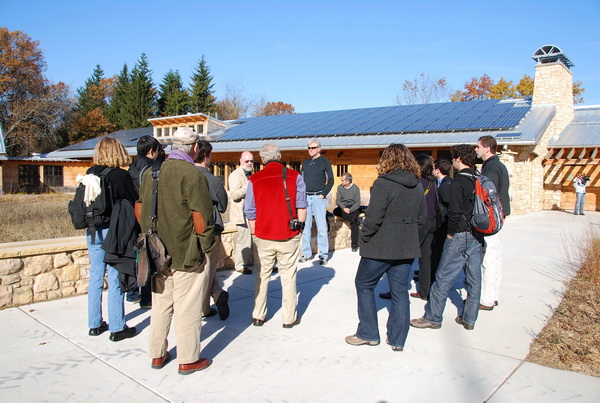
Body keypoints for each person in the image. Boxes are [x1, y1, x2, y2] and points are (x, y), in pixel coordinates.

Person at [136, 127, 215, 375]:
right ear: (194, 148)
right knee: (188, 307)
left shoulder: (151, 173)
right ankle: (189, 359)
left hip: (156, 251)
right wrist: (207, 246)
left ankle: (157, 354)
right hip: (186, 252)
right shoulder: (192, 174)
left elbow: (139, 209)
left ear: (171, 146)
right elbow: (201, 217)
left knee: (161, 305)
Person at [345, 144, 425, 352]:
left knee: (363, 284)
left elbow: (373, 217)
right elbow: (422, 217)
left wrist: (364, 236)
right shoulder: (417, 184)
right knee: (400, 292)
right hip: (406, 247)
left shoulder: (383, 183)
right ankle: (398, 339)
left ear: (387, 160)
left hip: (380, 246)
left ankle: (368, 333)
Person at [411, 144, 484, 331]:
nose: (453, 161)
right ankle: (469, 319)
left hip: (460, 235)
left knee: (442, 278)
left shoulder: (459, 181)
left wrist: (450, 234)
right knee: (474, 280)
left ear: (458, 159)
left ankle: (433, 317)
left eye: (453, 158)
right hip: (478, 235)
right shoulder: (480, 178)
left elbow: (454, 212)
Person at [245, 143, 307, 328]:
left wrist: (255, 232)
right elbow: (302, 205)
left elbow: (250, 210)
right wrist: (300, 228)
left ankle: (258, 315)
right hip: (288, 234)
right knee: (288, 277)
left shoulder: (254, 179)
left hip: (263, 236)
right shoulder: (295, 176)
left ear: (262, 159)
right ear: (279, 156)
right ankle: (289, 318)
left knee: (262, 276)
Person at [86, 137, 138, 342]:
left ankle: (94, 323)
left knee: (96, 277)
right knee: (116, 276)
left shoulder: (91, 173)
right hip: (114, 231)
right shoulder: (120, 175)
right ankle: (117, 327)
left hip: (92, 230)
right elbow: (134, 199)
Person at [195, 140, 230, 320]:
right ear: (207, 157)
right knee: (207, 271)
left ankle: (214, 298)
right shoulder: (212, 179)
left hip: (189, 230)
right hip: (211, 229)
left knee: (201, 271)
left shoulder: (184, 176)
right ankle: (207, 305)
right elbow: (223, 205)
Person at [126, 135, 163, 308]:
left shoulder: (132, 166)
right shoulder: (148, 170)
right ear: (151, 151)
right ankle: (147, 297)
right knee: (148, 255)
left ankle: (134, 291)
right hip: (145, 216)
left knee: (137, 256)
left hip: (132, 215)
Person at [475, 135, 511, 311]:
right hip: (498, 217)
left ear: (487, 148)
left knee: (489, 259)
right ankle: (492, 296)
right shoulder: (497, 165)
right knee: (495, 258)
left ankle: (487, 299)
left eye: (478, 147)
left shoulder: (491, 168)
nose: (476, 150)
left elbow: (488, 196)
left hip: (492, 219)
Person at [300, 138, 334, 265]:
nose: (310, 150)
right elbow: (301, 181)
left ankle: (324, 255)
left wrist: (322, 194)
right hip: (306, 198)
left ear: (319, 149)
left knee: (321, 228)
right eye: (309, 148)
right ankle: (306, 253)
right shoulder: (306, 163)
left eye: (313, 148)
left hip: (318, 198)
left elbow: (330, 180)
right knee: (306, 227)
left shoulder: (325, 162)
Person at [228, 151, 255, 275]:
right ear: (240, 161)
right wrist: (248, 187)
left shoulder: (252, 174)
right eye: (247, 161)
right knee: (243, 241)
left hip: (253, 213)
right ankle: (240, 265)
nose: (249, 163)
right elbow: (234, 195)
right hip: (241, 214)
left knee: (256, 241)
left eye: (251, 161)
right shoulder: (235, 175)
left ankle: (261, 264)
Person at [432, 158, 453, 274]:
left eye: (434, 168)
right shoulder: (438, 183)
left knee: (440, 249)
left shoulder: (446, 186)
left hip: (443, 224)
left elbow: (448, 206)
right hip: (440, 223)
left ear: (438, 170)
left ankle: (437, 273)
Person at [333, 173, 361, 252]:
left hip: (353, 207)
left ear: (348, 181)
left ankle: (354, 245)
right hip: (343, 207)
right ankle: (352, 219)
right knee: (336, 211)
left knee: (354, 223)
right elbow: (338, 200)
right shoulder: (340, 188)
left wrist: (351, 210)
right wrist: (344, 208)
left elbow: (357, 202)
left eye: (342, 180)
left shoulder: (356, 188)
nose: (341, 182)